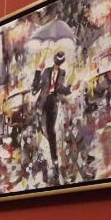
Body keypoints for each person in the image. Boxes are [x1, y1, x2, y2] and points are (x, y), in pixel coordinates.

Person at [31, 51, 71, 179]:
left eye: (60, 61)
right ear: (54, 60)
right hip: (41, 104)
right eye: (57, 60)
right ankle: (41, 160)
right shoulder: (46, 71)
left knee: (51, 132)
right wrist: (38, 71)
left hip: (52, 103)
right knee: (40, 132)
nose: (57, 63)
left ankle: (54, 162)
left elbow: (60, 89)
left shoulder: (62, 73)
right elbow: (35, 88)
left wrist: (70, 88)